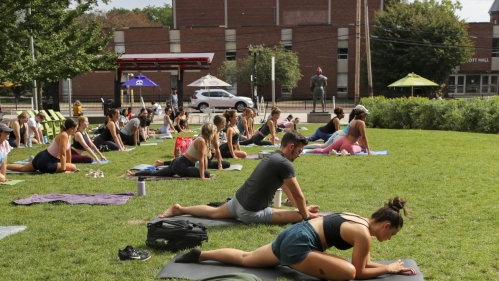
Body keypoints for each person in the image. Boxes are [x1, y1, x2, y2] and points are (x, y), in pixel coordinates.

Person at [174, 197, 416, 281]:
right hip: (299, 244)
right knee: (348, 273)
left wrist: (390, 268)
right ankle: (293, 261)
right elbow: (359, 270)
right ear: (386, 225)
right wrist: (389, 268)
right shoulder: (364, 235)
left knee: (246, 258)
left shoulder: (358, 220)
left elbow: (366, 262)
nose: (390, 239)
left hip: (293, 233)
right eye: (392, 234)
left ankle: (199, 255)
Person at [158, 131, 321, 224]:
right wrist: (305, 213)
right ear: (291, 146)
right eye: (299, 151)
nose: (299, 155)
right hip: (250, 212)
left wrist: (301, 207)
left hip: (238, 201)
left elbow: (287, 189)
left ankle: (180, 209)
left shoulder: (273, 157)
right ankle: (302, 214)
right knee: (300, 217)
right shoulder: (285, 164)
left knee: (214, 213)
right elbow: (298, 195)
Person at [126, 123, 217, 179]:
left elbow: (204, 159)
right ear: (210, 133)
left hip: (179, 162)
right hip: (181, 165)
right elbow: (201, 160)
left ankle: (133, 174)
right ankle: (133, 174)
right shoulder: (201, 141)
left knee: (156, 173)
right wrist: (202, 176)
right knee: (206, 174)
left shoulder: (204, 140)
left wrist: (205, 172)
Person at [7, 119, 79, 174]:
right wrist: (64, 169)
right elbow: (62, 154)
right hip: (47, 162)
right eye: (76, 128)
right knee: (74, 167)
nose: (76, 129)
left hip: (42, 157)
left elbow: (68, 152)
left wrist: (68, 165)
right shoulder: (64, 135)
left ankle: (3, 166)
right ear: (71, 129)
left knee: (22, 168)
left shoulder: (67, 135)